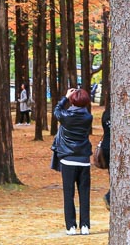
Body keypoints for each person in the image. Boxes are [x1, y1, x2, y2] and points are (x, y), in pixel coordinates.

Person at [51, 87, 93, 236]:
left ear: (72, 100)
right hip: (83, 160)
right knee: (84, 194)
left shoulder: (66, 116)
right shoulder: (88, 117)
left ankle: (71, 227)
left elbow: (56, 110)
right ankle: (85, 226)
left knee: (68, 194)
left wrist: (65, 97)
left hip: (68, 160)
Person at [101, 106, 111, 210]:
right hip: (115, 147)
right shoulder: (124, 113)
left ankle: (111, 196)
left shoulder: (106, 114)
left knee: (112, 174)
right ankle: (109, 196)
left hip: (106, 146)